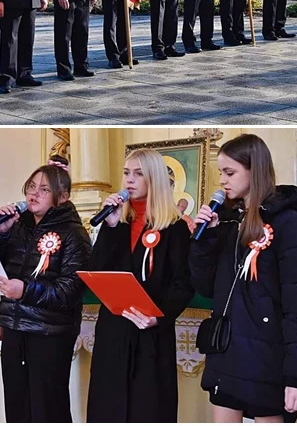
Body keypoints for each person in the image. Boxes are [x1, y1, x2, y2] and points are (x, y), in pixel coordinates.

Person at [191, 134, 297, 422]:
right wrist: (204, 239)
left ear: (255, 170)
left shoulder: (288, 223)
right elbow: (205, 287)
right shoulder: (227, 221)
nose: (222, 181)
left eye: (230, 172)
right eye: (220, 172)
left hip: (266, 358)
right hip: (227, 354)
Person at [87, 149, 194, 422]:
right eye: (126, 173)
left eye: (138, 174)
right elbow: (98, 272)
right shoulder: (118, 223)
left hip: (150, 334)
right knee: (108, 407)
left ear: (154, 179)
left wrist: (158, 316)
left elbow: (183, 283)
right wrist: (109, 228)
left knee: (147, 408)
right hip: (114, 331)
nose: (129, 180)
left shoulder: (175, 227)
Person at [0, 161, 91, 422]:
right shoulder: (18, 225)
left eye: (44, 189)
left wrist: (25, 291)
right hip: (14, 329)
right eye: (31, 186)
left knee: (47, 408)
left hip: (50, 334)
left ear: (62, 196)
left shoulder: (74, 234)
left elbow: (70, 291)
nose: (33, 194)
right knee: (16, 405)